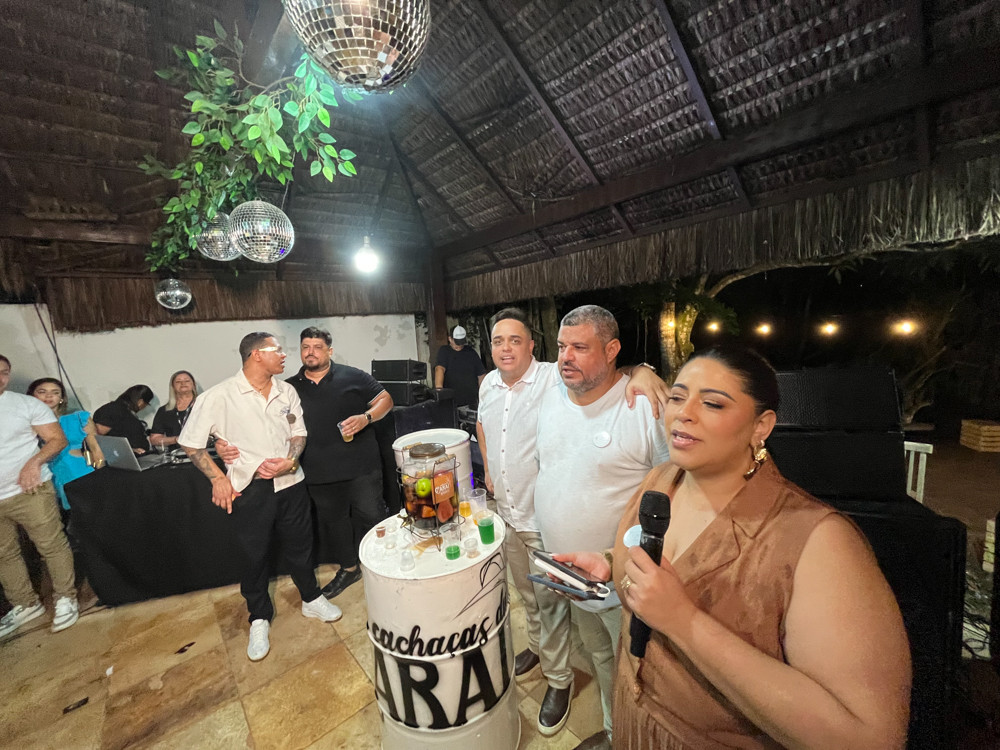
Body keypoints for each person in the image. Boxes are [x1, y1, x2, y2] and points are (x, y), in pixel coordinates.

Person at [558, 346, 912, 750]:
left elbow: (869, 738)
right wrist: (609, 562)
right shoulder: (662, 480)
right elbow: (655, 561)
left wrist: (683, 620)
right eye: (677, 397)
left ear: (761, 426)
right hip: (632, 722)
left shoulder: (817, 541)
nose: (684, 412)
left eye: (712, 403)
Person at [476, 307, 670, 738]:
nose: (566, 356)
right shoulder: (553, 396)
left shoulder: (641, 406)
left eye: (580, 347)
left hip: (622, 580)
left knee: (640, 675)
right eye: (563, 346)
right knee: (600, 655)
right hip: (569, 568)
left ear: (612, 350)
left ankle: (631, 738)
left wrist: (644, 369)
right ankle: (613, 731)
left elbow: (676, 490)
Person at [178, 332, 343, 662]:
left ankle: (311, 599)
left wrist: (291, 460)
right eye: (276, 350)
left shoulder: (286, 391)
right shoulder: (219, 396)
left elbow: (298, 433)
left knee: (301, 545)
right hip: (250, 488)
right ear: (256, 355)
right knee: (253, 556)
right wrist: (218, 478)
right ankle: (258, 617)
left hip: (291, 483)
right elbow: (190, 443)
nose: (284, 355)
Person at [285, 327, 393, 598]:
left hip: (361, 467)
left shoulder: (352, 376)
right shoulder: (288, 387)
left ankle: (386, 564)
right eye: (305, 347)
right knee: (335, 523)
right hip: (318, 472)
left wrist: (366, 418)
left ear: (329, 351)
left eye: (317, 347)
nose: (310, 352)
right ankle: (349, 569)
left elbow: (386, 400)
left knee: (372, 515)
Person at [0, 355, 79, 638]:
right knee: (4, 554)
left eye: (4, 372)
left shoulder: (26, 405)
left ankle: (66, 598)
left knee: (51, 546)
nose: (0, 378)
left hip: (30, 490)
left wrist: (34, 463)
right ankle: (25, 604)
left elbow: (57, 439)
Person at [27, 378, 104, 510]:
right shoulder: (24, 421)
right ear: (32, 396)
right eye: (42, 392)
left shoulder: (78, 418)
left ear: (62, 398)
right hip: (44, 475)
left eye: (55, 392)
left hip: (78, 472)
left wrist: (101, 473)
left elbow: (96, 448)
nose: (49, 396)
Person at [434, 325, 486, 408]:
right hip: (451, 402)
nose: (459, 345)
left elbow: (481, 375)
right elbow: (439, 369)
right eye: (456, 342)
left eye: (461, 343)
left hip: (471, 401)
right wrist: (439, 391)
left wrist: (483, 395)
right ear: (450, 339)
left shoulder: (471, 352)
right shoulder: (444, 351)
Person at [93, 384, 154, 454]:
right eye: (146, 404)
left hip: (135, 455)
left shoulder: (124, 412)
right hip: (120, 457)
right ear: (140, 402)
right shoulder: (112, 410)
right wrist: (129, 450)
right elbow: (97, 437)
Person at [150, 370, 199, 449]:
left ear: (193, 384)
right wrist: (176, 439)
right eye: (178, 382)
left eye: (187, 381)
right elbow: (155, 439)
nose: (183, 383)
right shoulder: (164, 410)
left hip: (204, 452)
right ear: (173, 386)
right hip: (176, 453)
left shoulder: (204, 405)